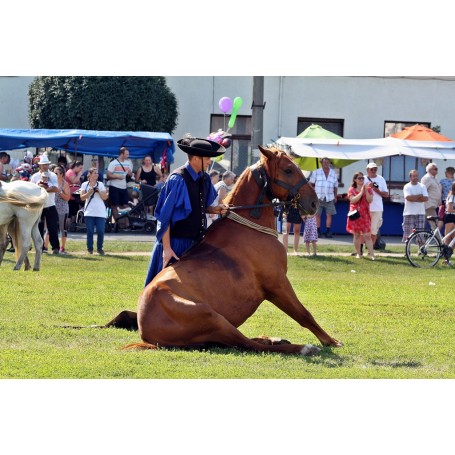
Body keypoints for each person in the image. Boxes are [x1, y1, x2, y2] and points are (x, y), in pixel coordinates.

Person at [144, 136, 229, 287]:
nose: (210, 161)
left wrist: (215, 209)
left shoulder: (205, 179)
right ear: (196, 158)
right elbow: (165, 217)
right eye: (207, 158)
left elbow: (200, 206)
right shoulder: (177, 179)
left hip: (195, 242)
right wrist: (167, 248)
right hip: (175, 244)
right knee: (163, 293)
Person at [30, 153, 61, 254]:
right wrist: (44, 188)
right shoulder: (35, 177)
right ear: (40, 165)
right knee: (38, 228)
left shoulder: (52, 175)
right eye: (44, 164)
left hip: (50, 204)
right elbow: (31, 191)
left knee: (53, 227)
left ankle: (55, 247)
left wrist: (45, 189)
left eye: (47, 164)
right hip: (39, 205)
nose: (46, 166)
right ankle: (40, 247)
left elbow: (56, 189)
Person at [346, 172, 375, 260]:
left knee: (367, 235)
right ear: (355, 180)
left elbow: (370, 200)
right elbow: (353, 200)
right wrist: (361, 192)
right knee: (357, 235)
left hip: (365, 214)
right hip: (355, 214)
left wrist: (366, 190)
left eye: (362, 178)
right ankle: (358, 253)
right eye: (359, 178)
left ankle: (372, 254)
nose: (361, 179)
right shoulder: (351, 189)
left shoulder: (368, 188)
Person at [80, 167, 109, 255]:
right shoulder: (85, 184)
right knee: (90, 231)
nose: (97, 175)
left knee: (100, 230)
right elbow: (82, 197)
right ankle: (90, 248)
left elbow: (105, 197)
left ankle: (100, 248)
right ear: (90, 174)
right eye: (95, 173)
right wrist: (89, 192)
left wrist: (99, 191)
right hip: (89, 211)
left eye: (97, 173)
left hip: (100, 211)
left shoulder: (100, 184)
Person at [44, 166, 71, 254]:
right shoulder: (50, 182)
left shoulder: (65, 184)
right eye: (53, 172)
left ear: (61, 174)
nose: (54, 174)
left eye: (56, 173)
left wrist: (59, 192)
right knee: (49, 228)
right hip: (51, 207)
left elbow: (67, 198)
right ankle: (45, 247)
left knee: (62, 229)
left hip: (62, 209)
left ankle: (62, 248)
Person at [309, 157, 338, 238]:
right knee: (317, 215)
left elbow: (335, 186)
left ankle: (328, 231)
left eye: (327, 162)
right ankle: (318, 231)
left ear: (329, 163)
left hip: (329, 196)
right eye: (324, 162)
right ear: (321, 163)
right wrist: (313, 193)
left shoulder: (333, 173)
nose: (325, 163)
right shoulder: (316, 172)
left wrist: (335, 196)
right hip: (318, 196)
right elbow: (311, 183)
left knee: (329, 214)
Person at [107, 147, 133, 230]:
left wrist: (130, 174)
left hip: (123, 187)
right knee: (115, 205)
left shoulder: (128, 163)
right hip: (114, 186)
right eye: (126, 154)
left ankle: (126, 223)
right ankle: (117, 223)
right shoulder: (113, 163)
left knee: (125, 205)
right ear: (121, 154)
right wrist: (117, 176)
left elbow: (129, 175)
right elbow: (108, 175)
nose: (128, 156)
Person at [364, 162, 389, 245]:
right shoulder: (363, 179)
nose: (373, 170)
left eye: (375, 169)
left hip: (377, 208)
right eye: (371, 169)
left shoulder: (381, 179)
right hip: (365, 208)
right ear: (367, 170)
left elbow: (386, 194)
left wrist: (377, 190)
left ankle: (370, 250)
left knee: (374, 231)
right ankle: (361, 249)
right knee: (363, 230)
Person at [402, 169, 429, 242]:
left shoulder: (422, 186)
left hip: (420, 212)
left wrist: (413, 198)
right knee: (407, 232)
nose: (415, 177)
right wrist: (419, 196)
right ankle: (407, 250)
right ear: (410, 177)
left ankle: (421, 250)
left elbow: (426, 198)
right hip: (409, 212)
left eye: (416, 176)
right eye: (413, 176)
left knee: (420, 233)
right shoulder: (407, 186)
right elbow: (408, 198)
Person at [421, 162, 441, 229]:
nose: (436, 170)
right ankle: (438, 239)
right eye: (435, 169)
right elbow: (423, 190)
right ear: (430, 170)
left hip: (432, 205)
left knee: (424, 224)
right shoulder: (427, 178)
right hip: (428, 205)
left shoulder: (433, 178)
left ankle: (420, 239)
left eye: (437, 169)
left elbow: (436, 191)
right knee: (434, 224)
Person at [65, 160, 84, 227]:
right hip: (70, 196)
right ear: (75, 167)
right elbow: (74, 181)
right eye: (80, 168)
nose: (81, 170)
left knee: (74, 212)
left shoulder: (75, 174)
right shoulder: (70, 172)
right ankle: (67, 227)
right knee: (69, 213)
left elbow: (79, 183)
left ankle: (73, 225)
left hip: (75, 196)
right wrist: (79, 175)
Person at [437, 166, 455, 231]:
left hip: (444, 202)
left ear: (447, 172)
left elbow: (439, 192)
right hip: (453, 203)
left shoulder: (442, 181)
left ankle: (436, 233)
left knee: (441, 219)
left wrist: (438, 202)